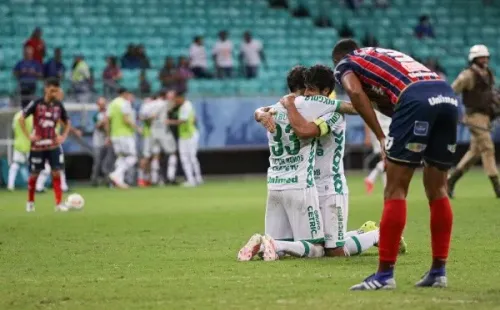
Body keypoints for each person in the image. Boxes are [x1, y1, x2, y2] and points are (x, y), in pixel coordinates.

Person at [332, 39, 456, 290]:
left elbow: (356, 93)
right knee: (438, 189)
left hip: (415, 98)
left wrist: (380, 134)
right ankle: (438, 271)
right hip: (446, 94)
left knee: (395, 189)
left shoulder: (345, 63)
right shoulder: (384, 54)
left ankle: (384, 275)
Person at [245, 65, 401, 260]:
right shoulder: (307, 109)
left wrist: (287, 105)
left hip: (330, 186)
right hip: (309, 185)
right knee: (319, 242)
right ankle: (363, 233)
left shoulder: (332, 114)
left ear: (325, 92)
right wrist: (260, 113)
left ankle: (379, 235)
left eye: (312, 89)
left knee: (334, 250)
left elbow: (308, 129)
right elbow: (270, 110)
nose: (308, 94)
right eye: (306, 88)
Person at [238, 66, 356, 261]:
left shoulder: (273, 109)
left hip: (274, 185)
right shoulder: (312, 105)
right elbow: (351, 107)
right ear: (303, 87)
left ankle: (263, 244)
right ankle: (275, 244)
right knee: (317, 249)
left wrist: (259, 113)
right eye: (307, 88)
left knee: (285, 251)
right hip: (302, 186)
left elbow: (259, 112)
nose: (309, 94)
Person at [447, 45, 500, 198]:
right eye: (481, 57)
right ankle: (497, 187)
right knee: (488, 148)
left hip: (486, 116)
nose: (485, 60)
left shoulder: (488, 74)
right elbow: (451, 93)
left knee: (474, 153)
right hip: (474, 116)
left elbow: (491, 93)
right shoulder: (467, 76)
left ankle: (450, 181)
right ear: (474, 59)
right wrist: (453, 112)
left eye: (486, 57)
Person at [19, 78, 70, 212]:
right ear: (46, 88)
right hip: (38, 146)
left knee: (56, 173)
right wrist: (29, 136)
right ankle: (30, 202)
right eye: (52, 90)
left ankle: (58, 204)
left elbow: (67, 121)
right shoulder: (36, 103)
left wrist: (63, 136)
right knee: (35, 174)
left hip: (53, 145)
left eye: (56, 90)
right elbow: (21, 118)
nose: (54, 93)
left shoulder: (58, 105)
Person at [139, 91, 178, 186]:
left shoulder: (148, 104)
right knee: (172, 153)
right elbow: (173, 105)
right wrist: (171, 98)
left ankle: (154, 179)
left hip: (152, 130)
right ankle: (171, 178)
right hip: (162, 129)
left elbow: (141, 117)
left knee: (155, 155)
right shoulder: (163, 103)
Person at [106, 88, 141, 188]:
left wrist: (108, 136)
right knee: (132, 157)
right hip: (125, 135)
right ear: (125, 94)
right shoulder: (125, 103)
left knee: (121, 157)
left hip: (115, 135)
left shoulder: (112, 104)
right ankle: (116, 174)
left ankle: (119, 181)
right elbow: (126, 119)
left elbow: (107, 120)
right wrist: (137, 127)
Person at [166, 91, 202, 187]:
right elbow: (194, 118)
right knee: (185, 158)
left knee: (190, 157)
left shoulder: (186, 107)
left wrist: (168, 122)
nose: (175, 101)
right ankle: (192, 179)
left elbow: (182, 121)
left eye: (175, 99)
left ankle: (196, 178)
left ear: (180, 98)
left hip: (189, 135)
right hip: (184, 135)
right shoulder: (185, 105)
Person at [364, 110, 392, 194]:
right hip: (379, 132)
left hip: (389, 131)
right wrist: (368, 136)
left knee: (386, 160)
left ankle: (371, 179)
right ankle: (383, 185)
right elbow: (367, 116)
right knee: (386, 159)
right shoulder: (375, 100)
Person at [7, 110, 33, 191]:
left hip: (18, 143)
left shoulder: (16, 115)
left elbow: (13, 128)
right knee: (32, 166)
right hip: (29, 144)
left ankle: (10, 185)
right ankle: (33, 186)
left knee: (16, 165)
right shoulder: (31, 116)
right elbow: (33, 129)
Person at [90, 97, 112, 186]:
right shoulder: (96, 115)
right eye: (101, 104)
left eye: (104, 103)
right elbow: (98, 125)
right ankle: (94, 180)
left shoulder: (108, 113)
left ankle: (108, 181)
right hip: (98, 142)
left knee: (108, 162)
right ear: (98, 105)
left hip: (108, 141)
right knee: (97, 162)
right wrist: (104, 120)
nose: (103, 106)